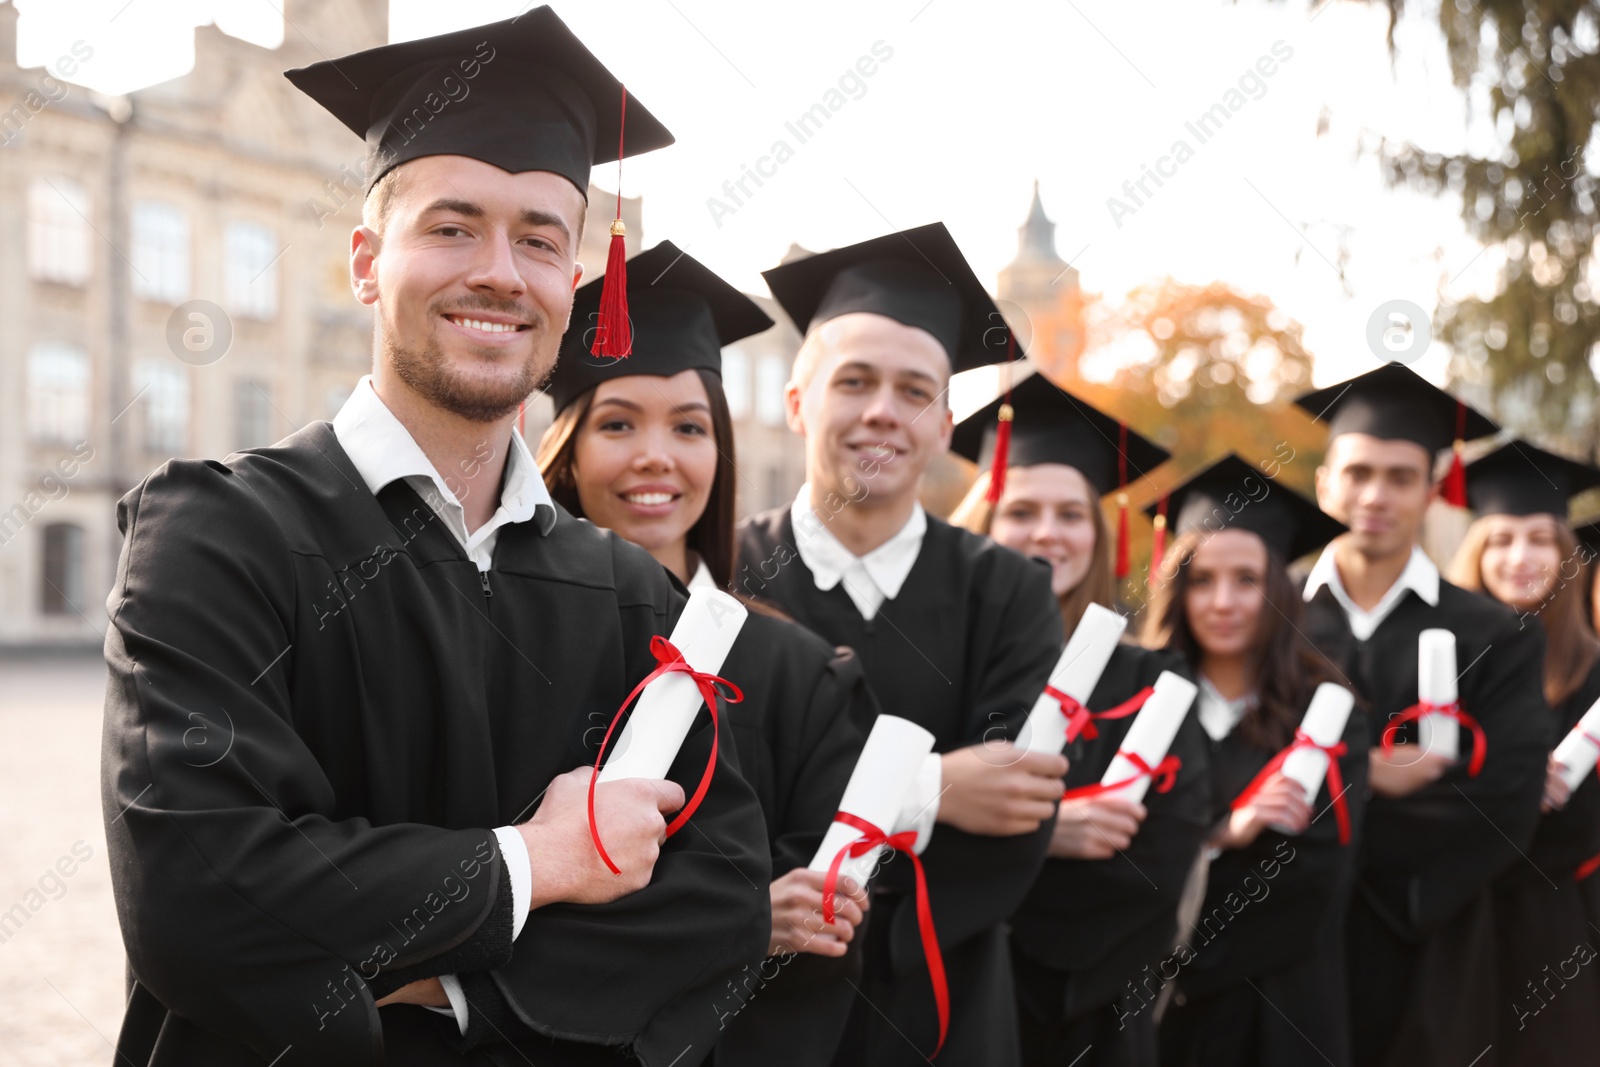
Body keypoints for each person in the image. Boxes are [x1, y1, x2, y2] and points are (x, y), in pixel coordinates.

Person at [102, 14, 771, 1066]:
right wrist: (534, 864)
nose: (501, 273)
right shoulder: (219, 535)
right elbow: (201, 892)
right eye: (453, 226)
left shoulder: (635, 596)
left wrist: (443, 993)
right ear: (367, 260)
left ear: (574, 287)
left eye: (541, 238)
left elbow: (718, 907)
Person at [535, 240, 884, 1065]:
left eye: (689, 426)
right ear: (569, 451)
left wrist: (776, 929)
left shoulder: (801, 672)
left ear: (718, 452)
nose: (657, 454)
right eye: (618, 423)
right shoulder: (506, 636)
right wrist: (741, 921)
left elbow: (824, 934)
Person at [737, 223, 1068, 1066]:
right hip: (747, 1003)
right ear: (799, 401)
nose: (884, 410)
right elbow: (711, 805)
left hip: (938, 1004)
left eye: (915, 389)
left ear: (947, 420)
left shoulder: (1011, 591)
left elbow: (1016, 810)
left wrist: (843, 883)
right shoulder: (721, 575)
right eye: (854, 381)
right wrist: (931, 789)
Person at [948, 369, 1210, 1066]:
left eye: (1070, 514)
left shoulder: (1152, 681)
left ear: (1098, 535)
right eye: (1022, 511)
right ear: (984, 524)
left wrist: (994, 879)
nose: (1047, 534)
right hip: (940, 997)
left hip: (1095, 1015)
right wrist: (1044, 832)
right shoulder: (941, 668)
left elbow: (1162, 854)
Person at [1293, 362, 1551, 1067]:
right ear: (1324, 482)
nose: (1375, 495)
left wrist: (1330, 816)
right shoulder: (1268, 619)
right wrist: (1369, 779)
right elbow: (1228, 777)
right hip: (1283, 938)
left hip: (1431, 940)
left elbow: (1505, 799)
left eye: (1401, 477)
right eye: (1358, 472)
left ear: (1433, 492)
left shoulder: (1495, 634)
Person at [1138, 454, 1366, 1067]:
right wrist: (1224, 836)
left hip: (1282, 1004)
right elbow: (1122, 855)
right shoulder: (1139, 702)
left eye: (1247, 579)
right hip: (1148, 1009)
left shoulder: (1325, 712)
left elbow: (1314, 874)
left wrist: (1185, 953)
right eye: (1202, 579)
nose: (1223, 601)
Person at [1448, 439, 1600, 1057]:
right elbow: (1392, 745)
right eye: (1502, 538)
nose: (1521, 557)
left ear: (1566, 553)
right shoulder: (1435, 654)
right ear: (1476, 549)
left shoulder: (1592, 670)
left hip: (1554, 917)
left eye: (1541, 539)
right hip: (1448, 907)